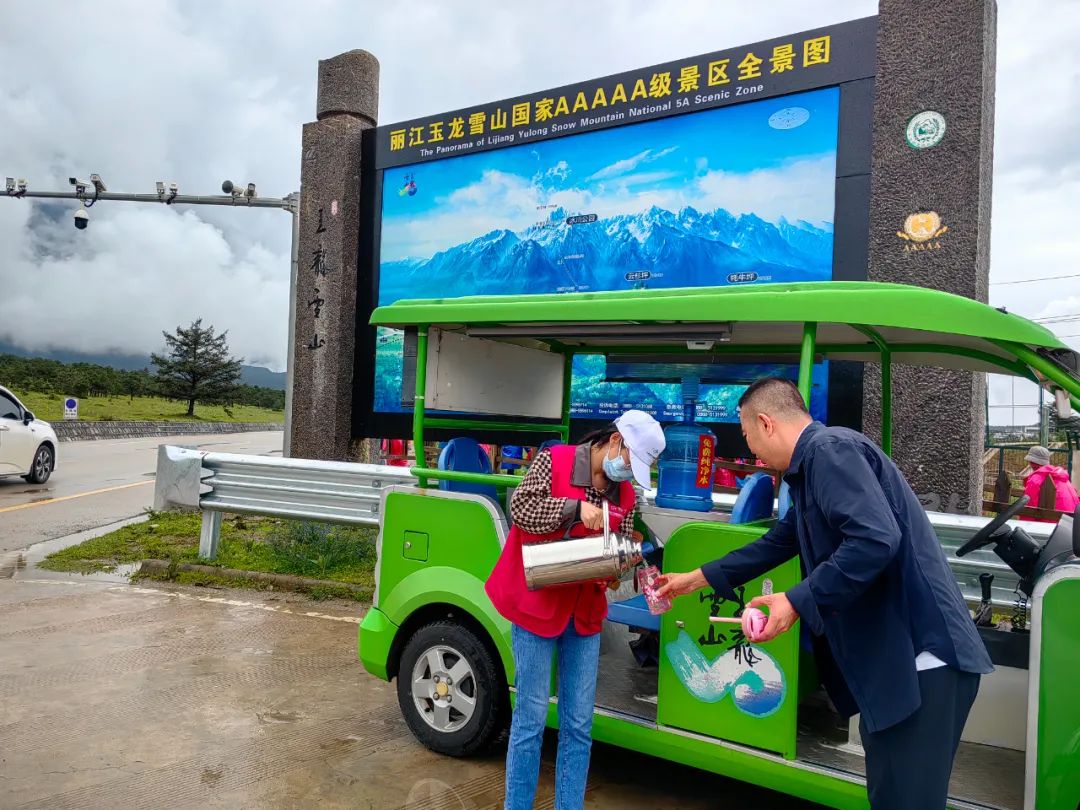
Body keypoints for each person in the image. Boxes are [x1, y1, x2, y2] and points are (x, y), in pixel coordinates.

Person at [655, 378, 993, 810]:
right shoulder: (811, 471)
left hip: (921, 660)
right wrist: (695, 578)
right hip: (896, 669)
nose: (753, 451)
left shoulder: (830, 452)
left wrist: (794, 601)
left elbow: (875, 539)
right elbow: (780, 542)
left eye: (747, 435)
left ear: (765, 423)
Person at [485, 410, 665, 810]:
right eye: (629, 461)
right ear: (615, 441)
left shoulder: (627, 494)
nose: (626, 473)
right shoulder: (557, 460)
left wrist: (626, 564)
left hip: (583, 614)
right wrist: (573, 508)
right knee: (530, 721)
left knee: (579, 725)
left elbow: (621, 542)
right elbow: (522, 510)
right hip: (538, 608)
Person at [1021, 445, 1079, 520]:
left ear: (1031, 462)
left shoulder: (1036, 479)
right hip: (1072, 522)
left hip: (1051, 523)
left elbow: (1028, 507)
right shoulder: (1062, 477)